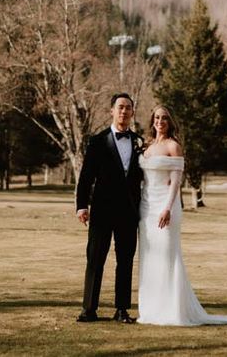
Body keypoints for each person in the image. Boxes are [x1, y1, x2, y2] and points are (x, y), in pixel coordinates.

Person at [137, 105, 227, 326]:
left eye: (164, 118)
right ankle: (150, 309)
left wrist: (167, 207)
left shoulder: (173, 146)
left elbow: (176, 181)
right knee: (149, 258)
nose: (160, 121)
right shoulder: (146, 146)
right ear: (152, 120)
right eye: (156, 117)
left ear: (170, 121)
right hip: (146, 207)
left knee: (168, 255)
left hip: (166, 206)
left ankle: (172, 310)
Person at [75, 93, 143, 323]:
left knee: (125, 261)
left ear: (132, 113)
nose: (124, 111)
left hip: (129, 212)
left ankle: (122, 310)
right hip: (102, 211)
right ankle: (88, 309)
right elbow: (86, 177)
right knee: (95, 259)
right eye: (120, 107)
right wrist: (81, 205)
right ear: (111, 111)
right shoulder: (97, 141)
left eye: (128, 108)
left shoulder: (139, 142)